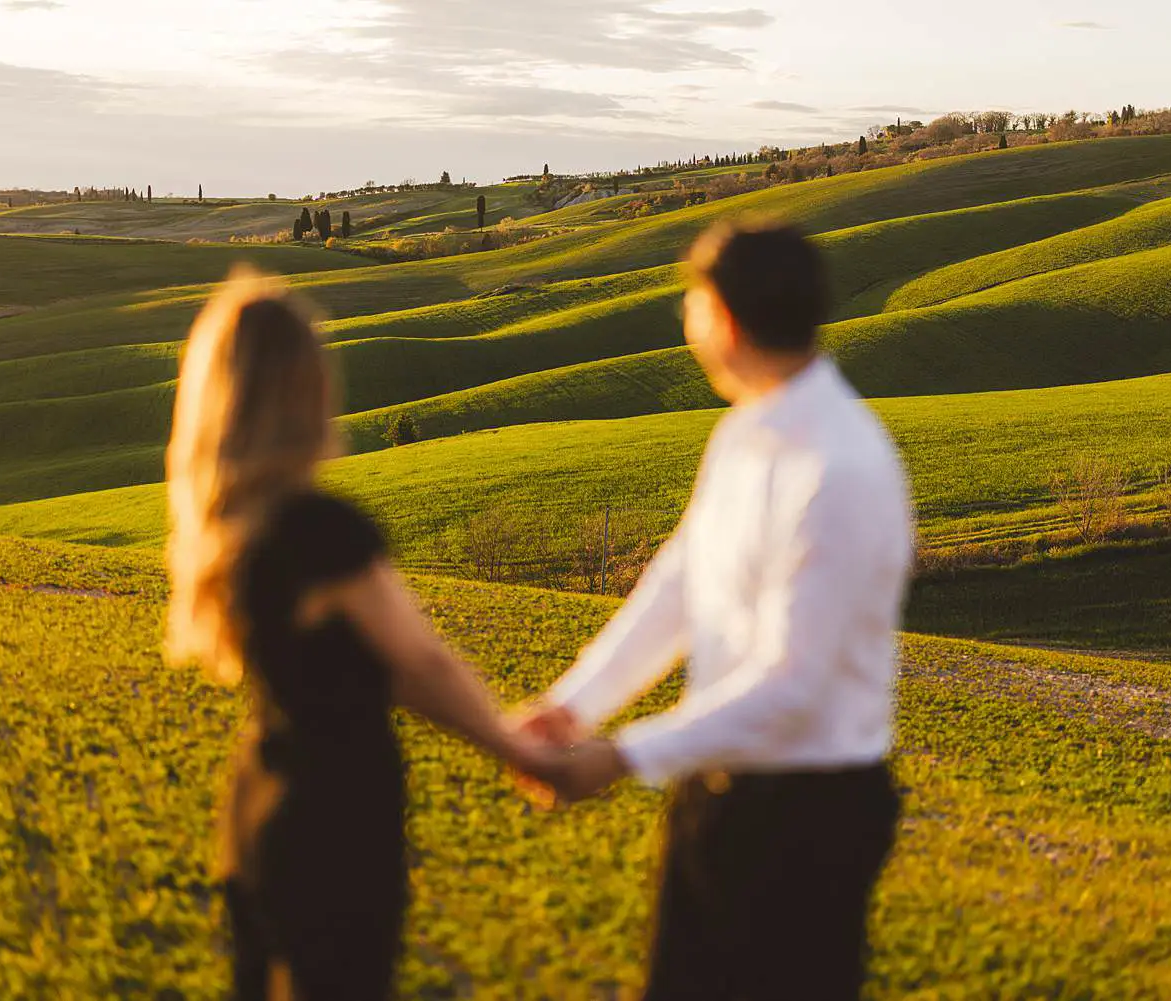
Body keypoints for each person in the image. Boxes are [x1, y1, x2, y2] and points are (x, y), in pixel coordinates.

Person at [522, 220, 914, 1001]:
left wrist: (622, 754)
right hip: (719, 790)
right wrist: (572, 706)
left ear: (725, 321)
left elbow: (792, 685)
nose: (688, 324)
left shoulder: (840, 466)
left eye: (691, 305)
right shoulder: (744, 433)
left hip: (811, 815)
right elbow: (679, 584)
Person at [163, 269, 561, 1001]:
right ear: (304, 390)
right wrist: (519, 748)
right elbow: (421, 663)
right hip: (334, 823)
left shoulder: (225, 530)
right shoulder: (320, 531)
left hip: (256, 808)